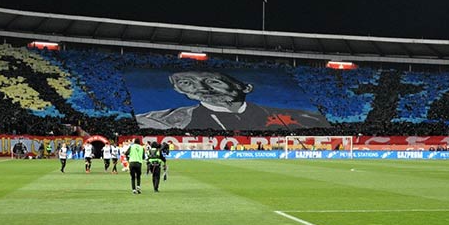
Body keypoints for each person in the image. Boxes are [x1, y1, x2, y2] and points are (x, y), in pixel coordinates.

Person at [135, 71, 330, 130]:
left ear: (245, 88)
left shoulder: (306, 119)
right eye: (187, 84)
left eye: (213, 82)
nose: (203, 88)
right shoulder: (155, 121)